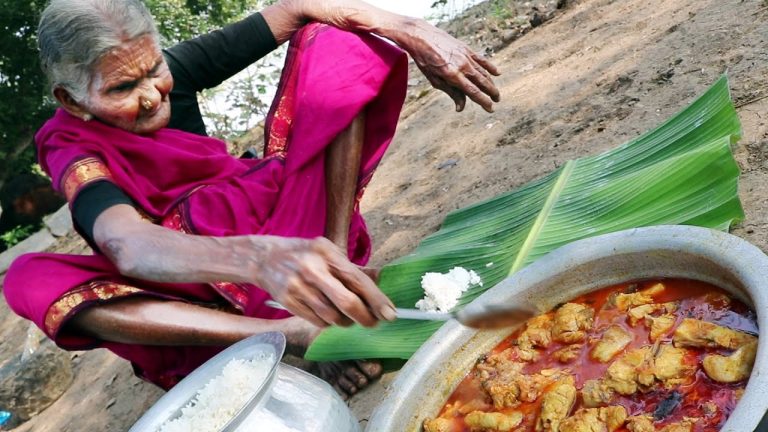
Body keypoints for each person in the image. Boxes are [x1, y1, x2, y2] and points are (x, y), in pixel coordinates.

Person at [3, 0, 500, 396]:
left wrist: (412, 30)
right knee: (28, 278)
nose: (152, 95)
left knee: (338, 41)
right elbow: (126, 243)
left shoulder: (172, 68)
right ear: (72, 100)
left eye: (154, 69)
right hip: (203, 284)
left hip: (296, 237)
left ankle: (336, 274)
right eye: (122, 88)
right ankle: (295, 333)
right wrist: (259, 258)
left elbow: (299, 8)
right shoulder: (69, 145)